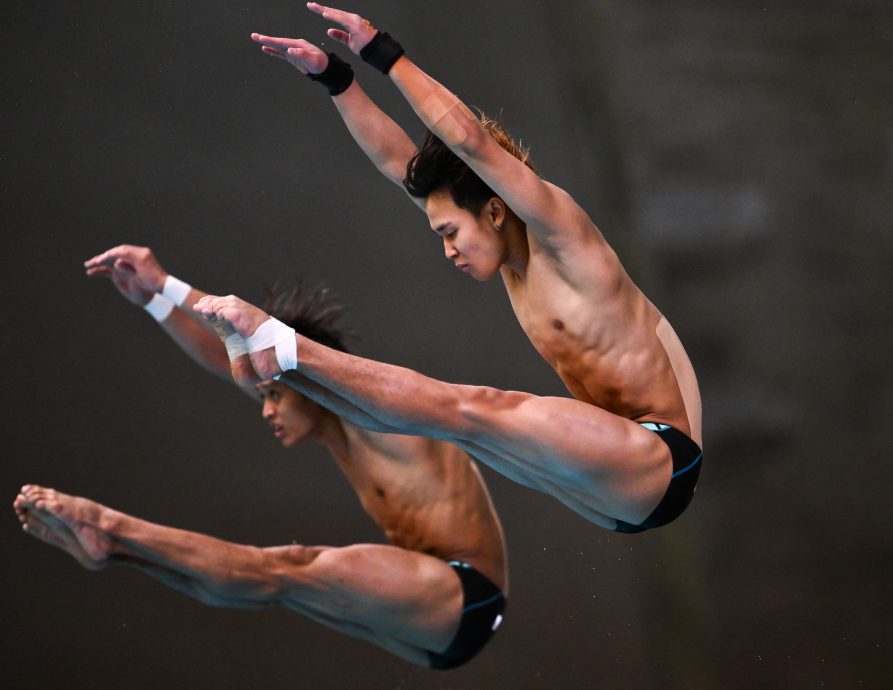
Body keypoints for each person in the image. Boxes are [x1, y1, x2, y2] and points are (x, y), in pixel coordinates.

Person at [237, 3, 705, 534]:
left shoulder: (561, 236)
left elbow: (471, 141)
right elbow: (399, 164)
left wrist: (381, 53)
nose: (448, 251)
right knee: (449, 424)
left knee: (470, 407)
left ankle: (290, 348)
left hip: (659, 456)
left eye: (450, 234)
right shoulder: (506, 255)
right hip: (609, 485)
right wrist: (337, 80)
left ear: (497, 209)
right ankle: (289, 365)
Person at [14, 245, 508, 670]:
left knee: (287, 566)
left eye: (275, 396)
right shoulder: (328, 417)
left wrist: (169, 282)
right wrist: (156, 300)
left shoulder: (377, 422)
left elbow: (268, 352)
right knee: (274, 585)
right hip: (421, 618)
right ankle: (115, 550)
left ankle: (108, 524)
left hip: (466, 595)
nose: (266, 410)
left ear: (305, 383)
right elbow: (232, 360)